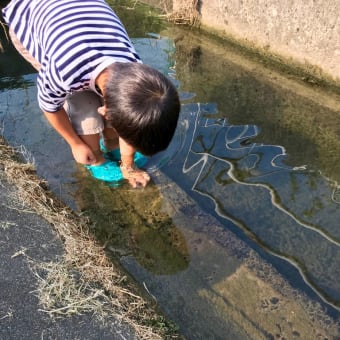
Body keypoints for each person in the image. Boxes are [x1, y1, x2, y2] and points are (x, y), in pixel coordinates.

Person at [1, 0, 180, 188]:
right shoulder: (62, 73)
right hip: (29, 16)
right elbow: (49, 106)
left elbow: (132, 120)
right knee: (82, 106)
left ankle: (111, 142)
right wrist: (75, 144)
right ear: (105, 112)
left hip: (80, 15)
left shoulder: (136, 67)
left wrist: (128, 164)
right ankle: (95, 155)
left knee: (123, 112)